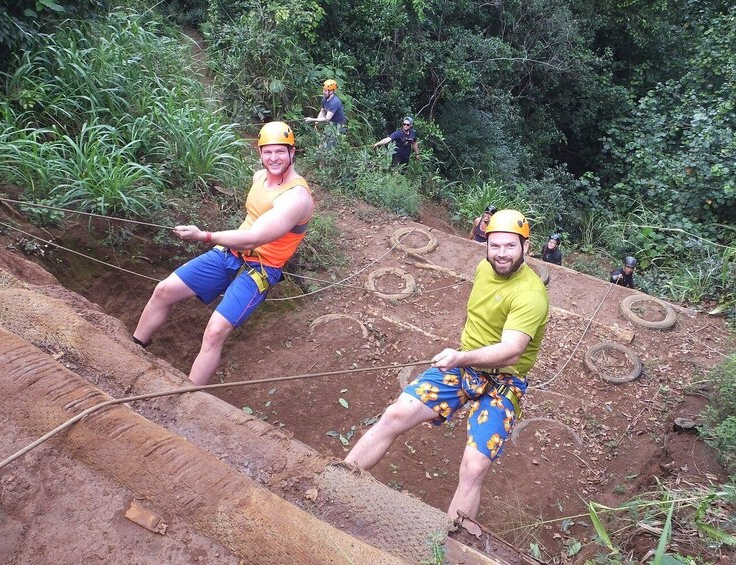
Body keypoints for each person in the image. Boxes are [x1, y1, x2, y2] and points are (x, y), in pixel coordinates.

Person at [345, 209, 549, 537]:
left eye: (510, 246)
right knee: (396, 414)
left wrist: (460, 356)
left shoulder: (530, 294)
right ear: (486, 243)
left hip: (503, 381)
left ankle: (449, 542)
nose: (501, 254)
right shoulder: (485, 268)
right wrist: (463, 357)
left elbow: (512, 349)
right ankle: (341, 480)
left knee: (475, 464)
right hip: (465, 365)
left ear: (527, 246)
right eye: (495, 245)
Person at [132, 121, 314, 386]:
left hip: (261, 268)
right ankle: (135, 348)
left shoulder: (297, 197)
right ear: (260, 153)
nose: (273, 158)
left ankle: (186, 398)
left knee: (215, 331)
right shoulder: (259, 177)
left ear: (292, 152)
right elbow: (252, 220)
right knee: (164, 290)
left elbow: (256, 237)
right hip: (230, 253)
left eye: (280, 152)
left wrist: (204, 235)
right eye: (267, 152)